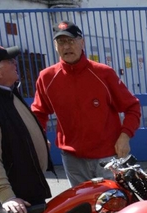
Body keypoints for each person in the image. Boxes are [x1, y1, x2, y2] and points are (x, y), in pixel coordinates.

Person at [32, 21, 141, 187]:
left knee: (114, 206)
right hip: (72, 159)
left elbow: (132, 107)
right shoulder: (47, 77)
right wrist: (39, 137)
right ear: (55, 46)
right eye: (61, 42)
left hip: (108, 157)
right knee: (83, 209)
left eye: (71, 41)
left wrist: (125, 136)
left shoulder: (103, 73)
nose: (66, 46)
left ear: (82, 43)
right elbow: (39, 113)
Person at [0, 42, 52, 213]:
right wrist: (7, 197)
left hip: (29, 186)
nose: (15, 63)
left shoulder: (5, 91)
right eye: (9, 60)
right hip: (19, 197)